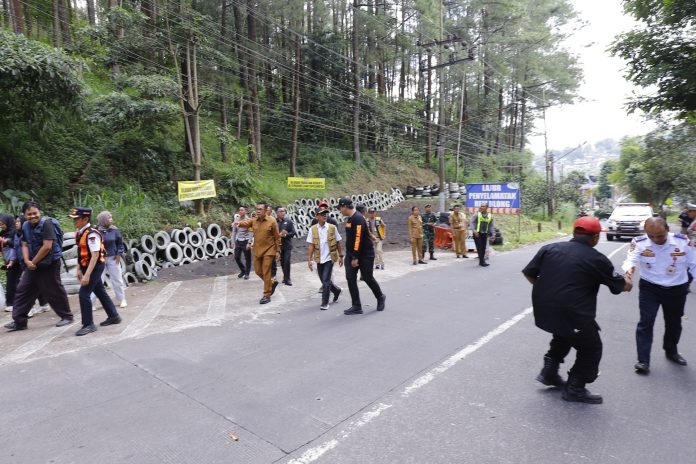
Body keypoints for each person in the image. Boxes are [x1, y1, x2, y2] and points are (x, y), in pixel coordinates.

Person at [522, 216, 631, 404]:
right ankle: (575, 388)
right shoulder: (597, 259)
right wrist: (628, 279)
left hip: (543, 308)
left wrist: (548, 291)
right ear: (595, 237)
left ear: (574, 233)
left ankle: (549, 372)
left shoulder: (549, 248)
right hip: (572, 312)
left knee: (564, 334)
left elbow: (529, 273)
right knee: (591, 348)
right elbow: (622, 286)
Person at [622, 217, 696, 373]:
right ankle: (643, 360)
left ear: (668, 229)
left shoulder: (683, 242)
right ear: (646, 233)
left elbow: (693, 264)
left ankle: (671, 351)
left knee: (674, 322)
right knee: (646, 322)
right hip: (650, 288)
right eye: (651, 236)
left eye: (660, 235)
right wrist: (629, 273)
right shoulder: (639, 242)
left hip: (677, 288)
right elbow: (630, 261)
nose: (656, 239)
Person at [4, 201, 73, 331]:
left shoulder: (47, 224)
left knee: (53, 290)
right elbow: (24, 243)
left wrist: (33, 262)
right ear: (24, 215)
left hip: (49, 263)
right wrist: (27, 261)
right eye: (29, 214)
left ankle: (67, 316)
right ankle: (19, 321)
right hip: (33, 265)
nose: (32, 216)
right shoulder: (25, 225)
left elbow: (47, 246)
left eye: (35, 213)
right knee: (23, 290)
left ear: (39, 212)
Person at [70, 207, 122, 336]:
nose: (74, 221)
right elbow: (81, 252)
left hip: (94, 267)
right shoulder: (80, 232)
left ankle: (88, 324)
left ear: (85, 219)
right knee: (100, 291)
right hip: (87, 266)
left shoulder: (92, 234)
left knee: (83, 294)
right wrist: (78, 268)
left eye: (77, 219)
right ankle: (114, 316)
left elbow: (95, 255)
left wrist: (87, 275)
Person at [337, 197, 385, 315]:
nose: (339, 210)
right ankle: (356, 306)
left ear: (345, 207)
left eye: (340, 208)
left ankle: (380, 296)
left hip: (364, 254)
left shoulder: (357, 218)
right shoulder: (351, 218)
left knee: (367, 277)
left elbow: (357, 239)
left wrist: (355, 257)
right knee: (350, 278)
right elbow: (360, 233)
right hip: (352, 253)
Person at [233, 202, 281, 304]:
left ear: (266, 210)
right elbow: (246, 223)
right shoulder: (254, 220)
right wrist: (238, 223)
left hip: (269, 250)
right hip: (258, 250)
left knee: (266, 271)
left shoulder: (272, 221)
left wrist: (278, 251)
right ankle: (271, 283)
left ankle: (266, 295)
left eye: (260, 209)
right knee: (258, 271)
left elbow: (277, 237)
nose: (258, 211)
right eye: (257, 209)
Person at [307, 208, 344, 310]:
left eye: (325, 214)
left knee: (326, 280)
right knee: (324, 280)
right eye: (322, 214)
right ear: (316, 216)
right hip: (319, 259)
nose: (324, 215)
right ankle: (337, 291)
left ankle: (325, 303)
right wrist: (309, 260)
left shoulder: (332, 228)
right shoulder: (312, 229)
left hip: (329, 258)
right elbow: (311, 245)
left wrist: (341, 256)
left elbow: (338, 242)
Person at [96, 211, 127, 308]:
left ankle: (122, 299)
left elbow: (120, 244)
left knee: (117, 279)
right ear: (103, 220)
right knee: (97, 280)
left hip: (113, 258)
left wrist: (119, 254)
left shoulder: (114, 230)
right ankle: (92, 303)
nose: (111, 220)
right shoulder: (96, 231)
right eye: (109, 218)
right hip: (100, 259)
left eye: (111, 218)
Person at [0, 214, 21, 312]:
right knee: (16, 281)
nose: (1, 226)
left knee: (11, 282)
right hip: (8, 260)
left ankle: (11, 303)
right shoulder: (2, 233)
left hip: (16, 260)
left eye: (2, 224)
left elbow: (16, 245)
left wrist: (6, 241)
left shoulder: (14, 232)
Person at [273, 206, 296, 286]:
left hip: (287, 245)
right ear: (277, 213)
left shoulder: (288, 221)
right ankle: (285, 276)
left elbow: (293, 233)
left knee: (287, 261)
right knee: (282, 262)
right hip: (278, 246)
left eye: (284, 211)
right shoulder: (274, 222)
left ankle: (287, 279)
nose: (283, 213)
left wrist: (286, 235)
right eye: (281, 211)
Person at [470, 202, 496, 267]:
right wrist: (474, 231)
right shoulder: (477, 214)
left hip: (485, 234)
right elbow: (471, 222)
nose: (481, 207)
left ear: (487, 207)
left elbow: (491, 226)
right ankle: (482, 262)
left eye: (483, 206)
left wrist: (493, 234)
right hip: (477, 234)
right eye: (481, 206)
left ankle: (481, 261)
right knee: (479, 247)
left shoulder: (490, 215)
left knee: (483, 248)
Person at [232, 206, 253, 280]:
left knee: (247, 258)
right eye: (239, 210)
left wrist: (249, 242)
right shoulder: (236, 220)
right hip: (238, 241)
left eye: (242, 210)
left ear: (245, 211)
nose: (240, 211)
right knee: (236, 257)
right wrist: (233, 241)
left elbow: (251, 232)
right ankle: (243, 270)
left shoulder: (249, 220)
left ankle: (247, 273)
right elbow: (234, 231)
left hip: (246, 241)